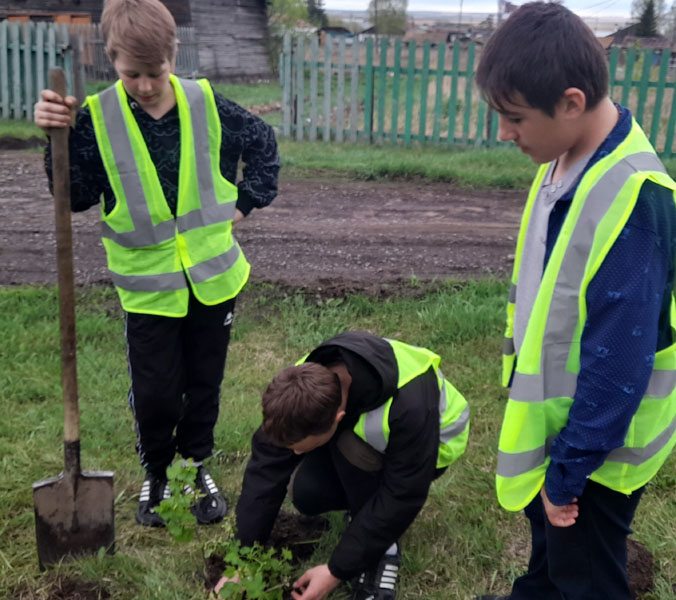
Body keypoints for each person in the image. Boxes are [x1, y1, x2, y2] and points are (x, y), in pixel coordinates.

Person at [34, 0, 280, 528]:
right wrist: (55, 136)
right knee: (156, 390)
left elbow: (262, 143)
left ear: (174, 55)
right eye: (131, 74)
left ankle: (197, 465)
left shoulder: (205, 103)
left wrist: (245, 202)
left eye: (155, 72)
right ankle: (158, 471)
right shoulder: (96, 118)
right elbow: (72, 194)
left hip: (214, 280)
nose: (145, 85)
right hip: (148, 289)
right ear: (111, 58)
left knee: (204, 381)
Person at [473, 3, 676, 600]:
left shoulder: (634, 202)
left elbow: (620, 361)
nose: (504, 133)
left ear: (570, 102)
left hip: (598, 451)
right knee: (553, 555)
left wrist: (568, 473)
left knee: (588, 577)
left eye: (514, 118)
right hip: (565, 434)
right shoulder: (566, 159)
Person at [215, 331, 470, 600]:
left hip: (431, 449)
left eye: (300, 445)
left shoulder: (410, 405)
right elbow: (265, 471)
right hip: (364, 437)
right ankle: (364, 515)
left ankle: (384, 550)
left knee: (354, 447)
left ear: (337, 417)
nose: (295, 453)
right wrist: (242, 560)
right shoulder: (302, 383)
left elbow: (403, 493)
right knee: (306, 492)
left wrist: (336, 570)